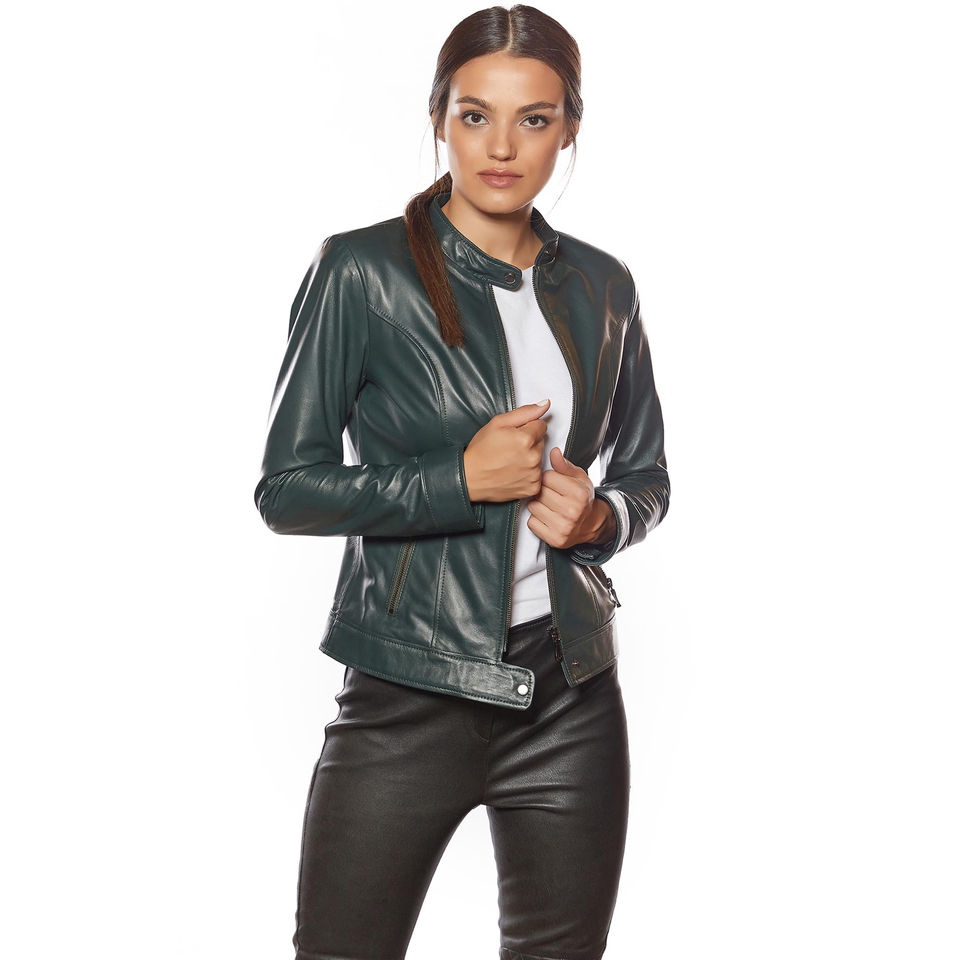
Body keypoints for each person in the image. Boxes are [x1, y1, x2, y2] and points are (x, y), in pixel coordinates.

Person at [254, 6, 671, 959]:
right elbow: (287, 488)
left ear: (570, 128)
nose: (502, 147)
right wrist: (459, 480)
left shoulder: (605, 287)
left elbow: (647, 472)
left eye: (535, 118)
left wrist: (601, 519)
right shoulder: (361, 272)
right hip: (407, 689)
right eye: (475, 115)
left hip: (570, 690)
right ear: (439, 117)